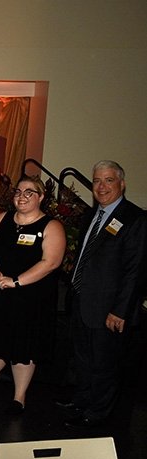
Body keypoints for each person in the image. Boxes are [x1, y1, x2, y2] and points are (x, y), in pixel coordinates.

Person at [60, 160, 147, 428]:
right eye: (97, 181)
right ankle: (83, 400)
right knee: (84, 358)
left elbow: (136, 270)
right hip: (83, 301)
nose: (101, 186)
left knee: (104, 364)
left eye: (109, 180)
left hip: (110, 308)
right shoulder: (92, 215)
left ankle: (97, 413)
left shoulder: (135, 219)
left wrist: (120, 310)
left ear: (121, 184)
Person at [0, 176, 66, 414]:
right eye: (19, 191)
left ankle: (19, 396)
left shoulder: (51, 226)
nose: (22, 196)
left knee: (23, 347)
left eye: (30, 192)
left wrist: (16, 282)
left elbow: (51, 262)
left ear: (41, 197)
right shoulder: (2, 218)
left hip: (30, 298)